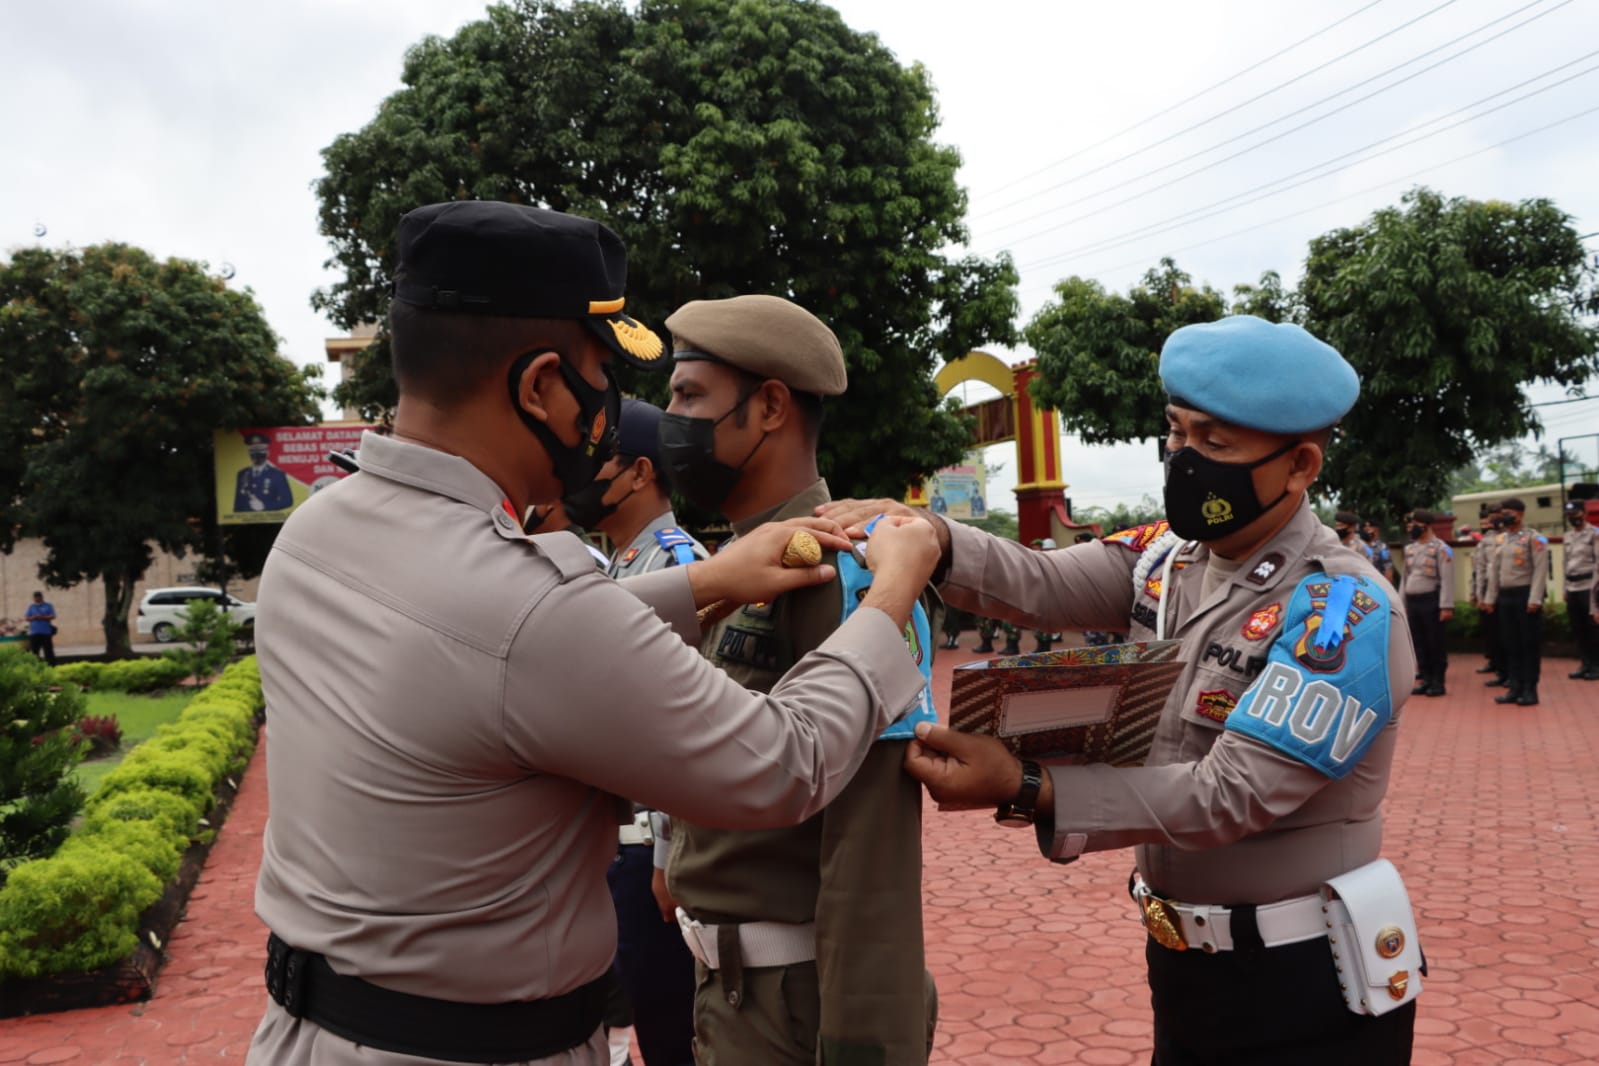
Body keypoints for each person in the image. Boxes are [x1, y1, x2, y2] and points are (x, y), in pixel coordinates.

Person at [245, 201, 940, 1066]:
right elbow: (779, 764)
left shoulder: (320, 531)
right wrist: (889, 600)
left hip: (307, 1029)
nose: (619, 408)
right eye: (598, 373)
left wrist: (708, 581)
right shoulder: (529, 601)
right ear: (539, 387)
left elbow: (486, 656)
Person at [822, 315, 1420, 1065]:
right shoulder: (1167, 557)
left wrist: (1029, 787)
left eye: (1215, 444)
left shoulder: (1342, 610)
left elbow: (1228, 794)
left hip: (1303, 977)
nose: (1184, 459)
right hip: (1182, 963)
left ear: (1299, 465)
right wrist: (930, 536)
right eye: (1175, 433)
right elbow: (1038, 585)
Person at [658, 294, 936, 1066]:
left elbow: (871, 846)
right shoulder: (744, 561)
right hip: (734, 989)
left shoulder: (844, 573)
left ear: (770, 406)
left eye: (688, 397)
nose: (668, 419)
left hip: (795, 1001)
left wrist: (864, 1047)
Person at [561, 396, 705, 1066]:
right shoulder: (620, 562)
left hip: (651, 853)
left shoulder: (679, 565)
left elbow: (686, 726)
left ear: (641, 472)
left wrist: (669, 854)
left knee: (670, 1026)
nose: (580, 480)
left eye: (599, 464)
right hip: (616, 848)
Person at [1482, 497, 1548, 707]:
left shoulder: (1534, 539)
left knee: (1528, 645)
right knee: (1510, 644)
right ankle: (1515, 687)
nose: (1504, 517)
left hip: (1525, 596)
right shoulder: (1501, 540)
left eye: (1509, 512)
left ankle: (1530, 689)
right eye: (1503, 513)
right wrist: (1490, 598)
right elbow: (1494, 571)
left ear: (1520, 514)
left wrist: (1535, 598)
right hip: (1506, 597)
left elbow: (1540, 570)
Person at [1400, 510, 1453, 697]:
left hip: (1432, 600)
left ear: (1426, 525)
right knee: (1419, 643)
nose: (1411, 528)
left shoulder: (1441, 548)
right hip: (1413, 601)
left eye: (1414, 524)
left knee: (1434, 643)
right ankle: (1426, 679)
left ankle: (1438, 682)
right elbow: (1405, 578)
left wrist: (1446, 606)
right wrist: (1401, 603)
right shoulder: (1410, 549)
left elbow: (1447, 579)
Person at [1562, 500, 1598, 680]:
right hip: (1572, 586)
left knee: (1593, 629)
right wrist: (1564, 589)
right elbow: (1565, 564)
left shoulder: (1594, 534)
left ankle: (1596, 665)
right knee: (1578, 628)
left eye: (1575, 514)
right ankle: (1585, 663)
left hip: (1588, 586)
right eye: (1569, 516)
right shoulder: (1568, 536)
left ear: (1584, 513)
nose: (1572, 518)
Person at [1473, 505, 1507, 684]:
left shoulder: (1508, 538)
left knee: (1506, 635)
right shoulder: (1486, 540)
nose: (1489, 523)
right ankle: (1500, 669)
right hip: (1489, 589)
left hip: (1506, 590)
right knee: (1493, 633)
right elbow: (1480, 567)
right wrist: (1479, 594)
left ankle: (1509, 673)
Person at [234, 431, 295, 512]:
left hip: (268, 520)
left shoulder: (277, 474)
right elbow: (238, 503)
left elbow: (288, 501)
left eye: (260, 450)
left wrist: (265, 506)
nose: (257, 453)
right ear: (249, 453)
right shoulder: (242, 474)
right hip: (246, 521)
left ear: (267, 452)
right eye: (253, 450)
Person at [25, 591, 57, 666]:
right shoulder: (31, 607)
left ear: (41, 597)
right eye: (35, 597)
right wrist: (33, 617)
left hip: (45, 632)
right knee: (34, 651)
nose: (37, 599)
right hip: (34, 632)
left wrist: (42, 617)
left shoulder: (48, 606)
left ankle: (51, 665)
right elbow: (27, 618)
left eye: (38, 597)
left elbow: (53, 616)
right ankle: (34, 665)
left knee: (48, 651)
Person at [1362, 519, 1395, 584]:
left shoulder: (1382, 547)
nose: (1366, 530)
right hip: (1362, 584)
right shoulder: (1360, 546)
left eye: (1369, 528)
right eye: (1365, 529)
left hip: (1377, 584)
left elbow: (1388, 568)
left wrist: (1387, 588)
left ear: (1377, 530)